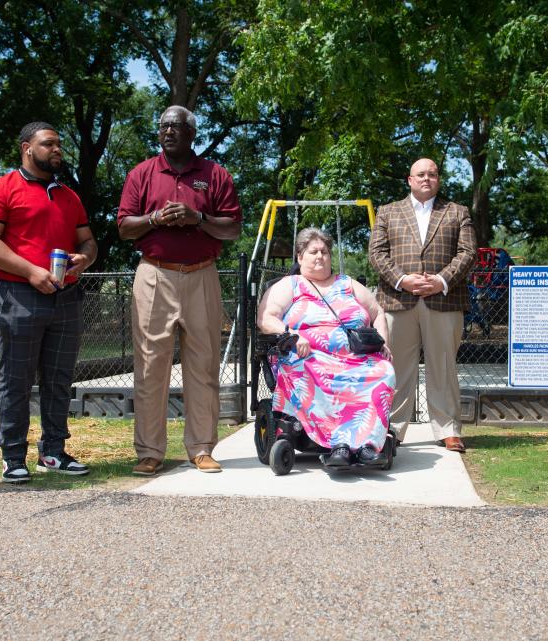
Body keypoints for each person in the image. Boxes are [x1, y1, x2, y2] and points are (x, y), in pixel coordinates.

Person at [117, 106, 242, 476]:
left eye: (177, 126)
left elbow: (232, 228)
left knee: (203, 365)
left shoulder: (214, 174)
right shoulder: (142, 174)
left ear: (192, 132)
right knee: (151, 366)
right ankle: (150, 451)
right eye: (163, 126)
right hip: (154, 275)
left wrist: (198, 219)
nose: (169, 131)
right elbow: (124, 227)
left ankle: (202, 447)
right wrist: (155, 218)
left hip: (202, 274)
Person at [0, 122, 97, 483]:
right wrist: (30, 271)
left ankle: (54, 452)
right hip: (19, 295)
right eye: (49, 144)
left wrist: (85, 259)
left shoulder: (69, 196)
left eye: (59, 144)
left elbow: (88, 240)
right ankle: (13, 456)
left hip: (66, 297)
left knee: (59, 379)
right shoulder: (1, 188)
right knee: (17, 378)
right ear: (27, 148)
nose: (57, 149)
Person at [258, 228, 395, 466]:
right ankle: (338, 444)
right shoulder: (290, 285)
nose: (320, 256)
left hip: (355, 358)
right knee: (308, 372)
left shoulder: (347, 284)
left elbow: (378, 313)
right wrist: (292, 335)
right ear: (300, 257)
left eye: (325, 251)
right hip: (308, 356)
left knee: (384, 370)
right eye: (314, 252)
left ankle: (367, 445)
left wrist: (383, 343)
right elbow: (266, 318)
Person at [368, 158, 477, 452]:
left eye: (432, 174)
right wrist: (403, 280)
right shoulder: (388, 212)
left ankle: (449, 429)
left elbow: (468, 253)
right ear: (409, 180)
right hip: (397, 299)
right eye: (421, 174)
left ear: (438, 179)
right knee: (396, 368)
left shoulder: (457, 212)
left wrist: (441, 280)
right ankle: (391, 429)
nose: (426, 178)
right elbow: (376, 254)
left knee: (443, 367)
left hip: (444, 299)